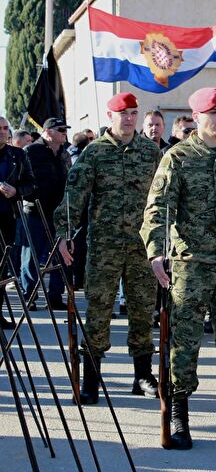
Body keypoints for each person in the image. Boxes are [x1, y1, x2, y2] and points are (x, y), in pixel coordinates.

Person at [140, 87, 216, 449]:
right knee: (185, 341)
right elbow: (157, 208)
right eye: (214, 112)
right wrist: (156, 253)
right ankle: (180, 414)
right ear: (197, 118)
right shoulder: (177, 158)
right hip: (190, 265)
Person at [55, 93, 161, 405]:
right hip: (104, 248)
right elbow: (75, 196)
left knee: (143, 312)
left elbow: (162, 196)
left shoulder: (150, 152)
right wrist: (64, 233)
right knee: (98, 313)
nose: (129, 119)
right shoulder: (95, 153)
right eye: (122, 113)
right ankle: (91, 379)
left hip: (142, 248)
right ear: (109, 115)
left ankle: (142, 375)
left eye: (133, 113)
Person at [20, 117, 71, 311]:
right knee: (31, 255)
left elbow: (69, 178)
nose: (64, 133)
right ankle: (29, 295)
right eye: (60, 129)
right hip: (35, 212)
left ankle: (55, 296)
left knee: (61, 255)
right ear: (48, 132)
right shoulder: (31, 151)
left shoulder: (64, 154)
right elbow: (24, 179)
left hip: (58, 213)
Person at [0, 115, 34, 328]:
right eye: (0, 128)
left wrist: (17, 191)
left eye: (6, 128)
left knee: (2, 269)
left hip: (7, 219)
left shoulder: (17, 155)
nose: (3, 131)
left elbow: (31, 183)